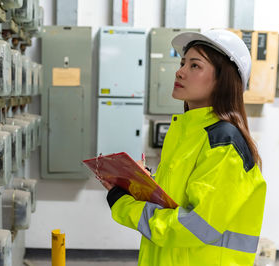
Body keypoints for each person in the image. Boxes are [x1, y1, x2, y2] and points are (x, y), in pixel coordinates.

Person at [101, 29, 266, 265]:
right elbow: (177, 199)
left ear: (223, 80)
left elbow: (194, 227)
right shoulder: (189, 132)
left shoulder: (223, 143)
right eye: (182, 63)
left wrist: (124, 204)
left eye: (195, 66)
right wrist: (139, 184)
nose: (179, 72)